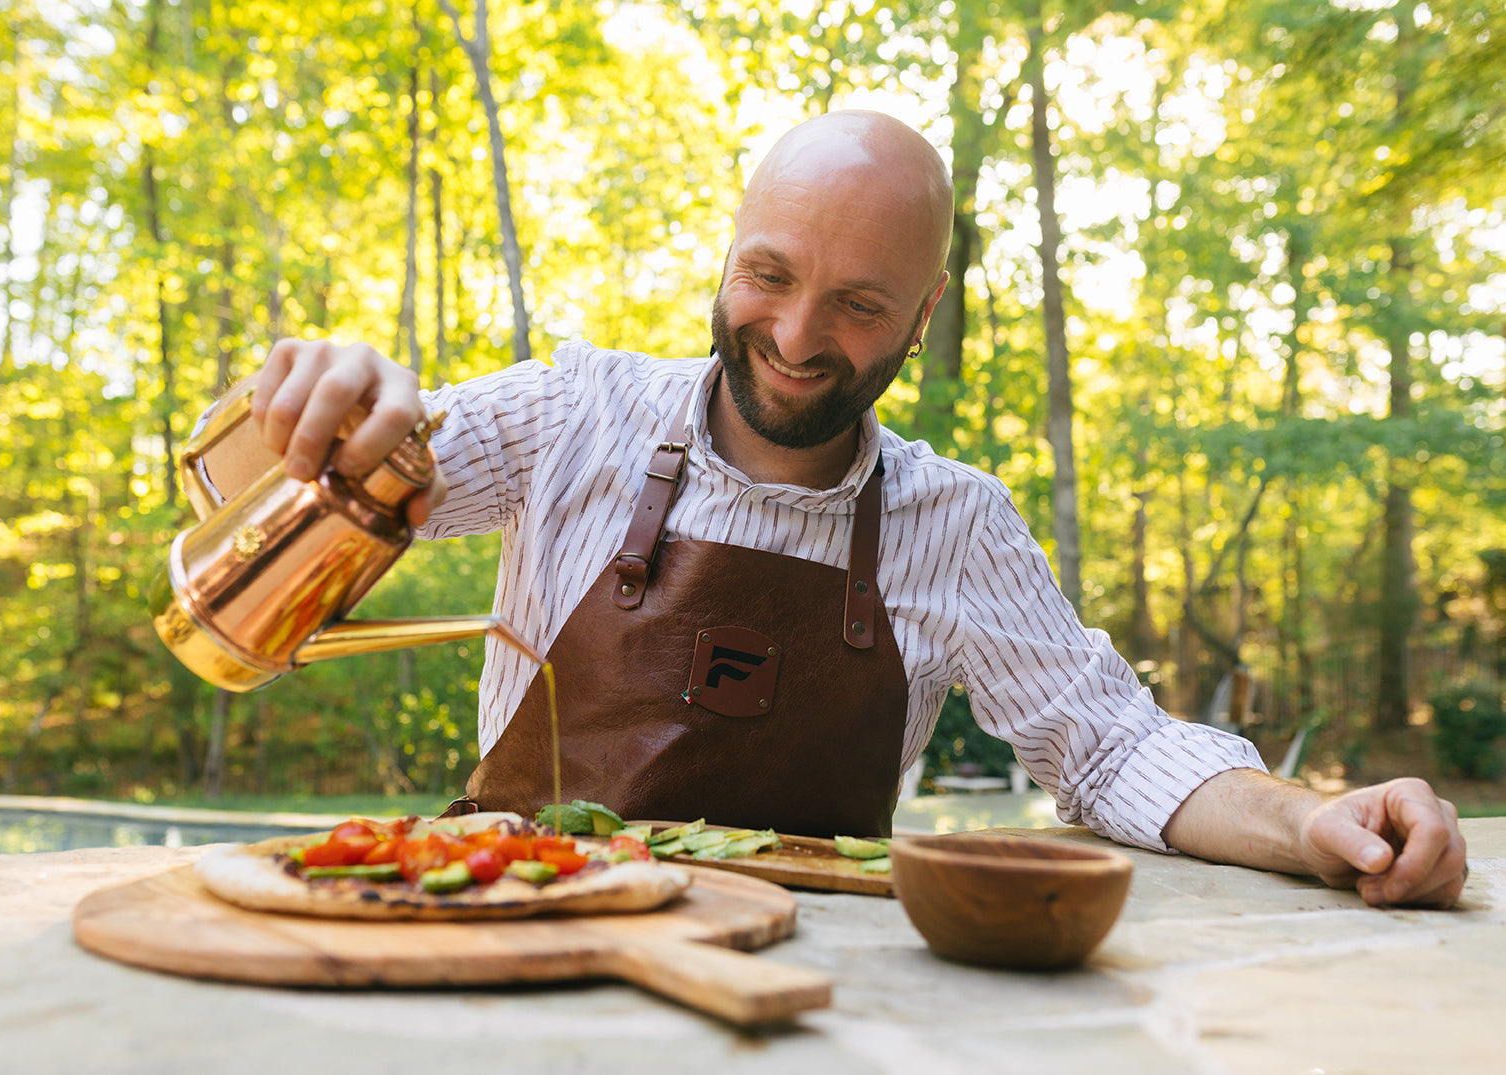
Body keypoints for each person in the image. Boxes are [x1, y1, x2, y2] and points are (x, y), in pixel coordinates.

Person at [207, 110, 1467, 908]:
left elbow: (1114, 750)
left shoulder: (957, 523)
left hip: (819, 999)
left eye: (861, 305)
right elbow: (267, 500)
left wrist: (1313, 819)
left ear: (922, 320)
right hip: (510, 932)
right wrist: (324, 405)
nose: (797, 339)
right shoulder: (571, 415)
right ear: (727, 257)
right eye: (769, 275)